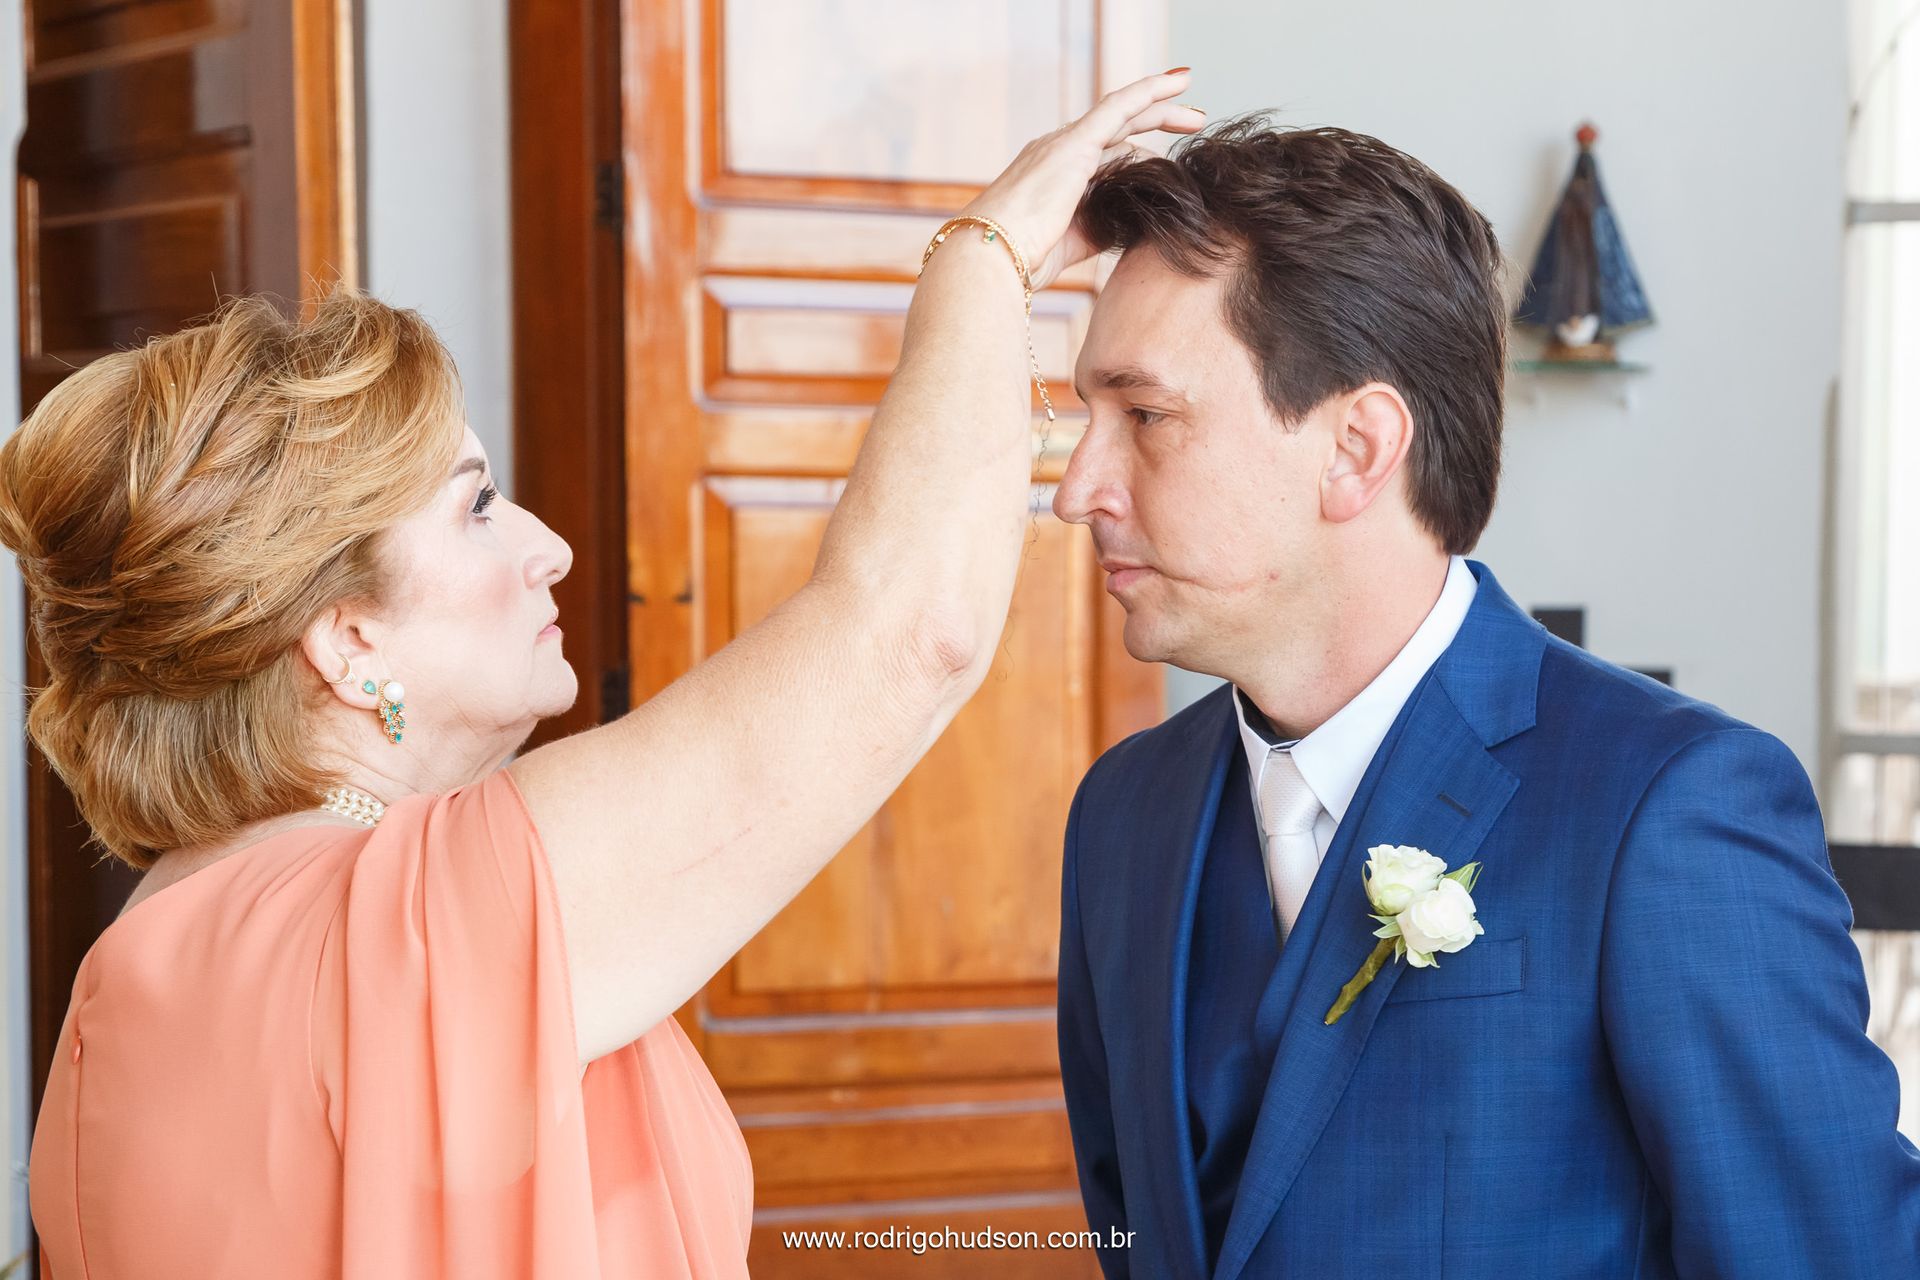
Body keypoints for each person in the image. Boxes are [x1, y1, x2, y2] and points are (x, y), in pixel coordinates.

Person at [0, 73, 1203, 1279]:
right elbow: (908, 634)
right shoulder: (416, 922)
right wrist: (981, 258)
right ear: (348, 638)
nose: (551, 548)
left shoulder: (142, 962)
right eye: (477, 506)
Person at [1051, 117, 1920, 1279]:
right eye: (1086, 418)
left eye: (1146, 417)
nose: (1076, 488)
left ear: (1358, 448)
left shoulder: (1671, 807)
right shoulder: (1122, 814)